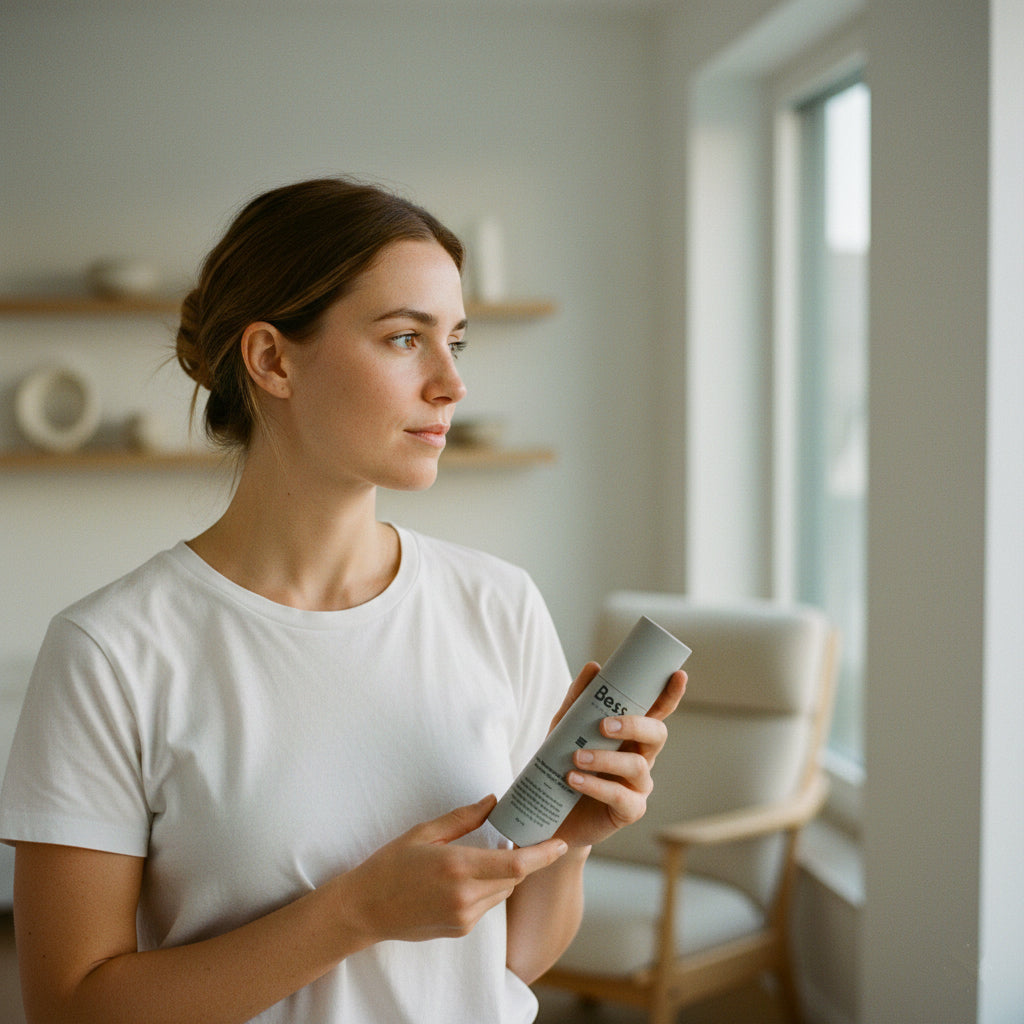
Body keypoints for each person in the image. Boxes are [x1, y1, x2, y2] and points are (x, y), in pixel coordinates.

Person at [0, 176, 686, 1024]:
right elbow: (69, 1007)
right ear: (272, 360)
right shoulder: (112, 652)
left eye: (455, 342)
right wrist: (356, 913)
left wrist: (568, 845)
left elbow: (503, 963)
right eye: (405, 339)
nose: (451, 383)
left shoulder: (499, 606)